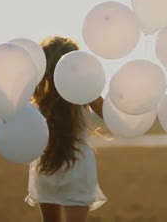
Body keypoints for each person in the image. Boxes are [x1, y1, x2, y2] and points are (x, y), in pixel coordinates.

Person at [25, 36, 107, 222]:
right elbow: (108, 114)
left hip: (46, 167)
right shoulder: (84, 90)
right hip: (77, 167)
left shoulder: (38, 99)